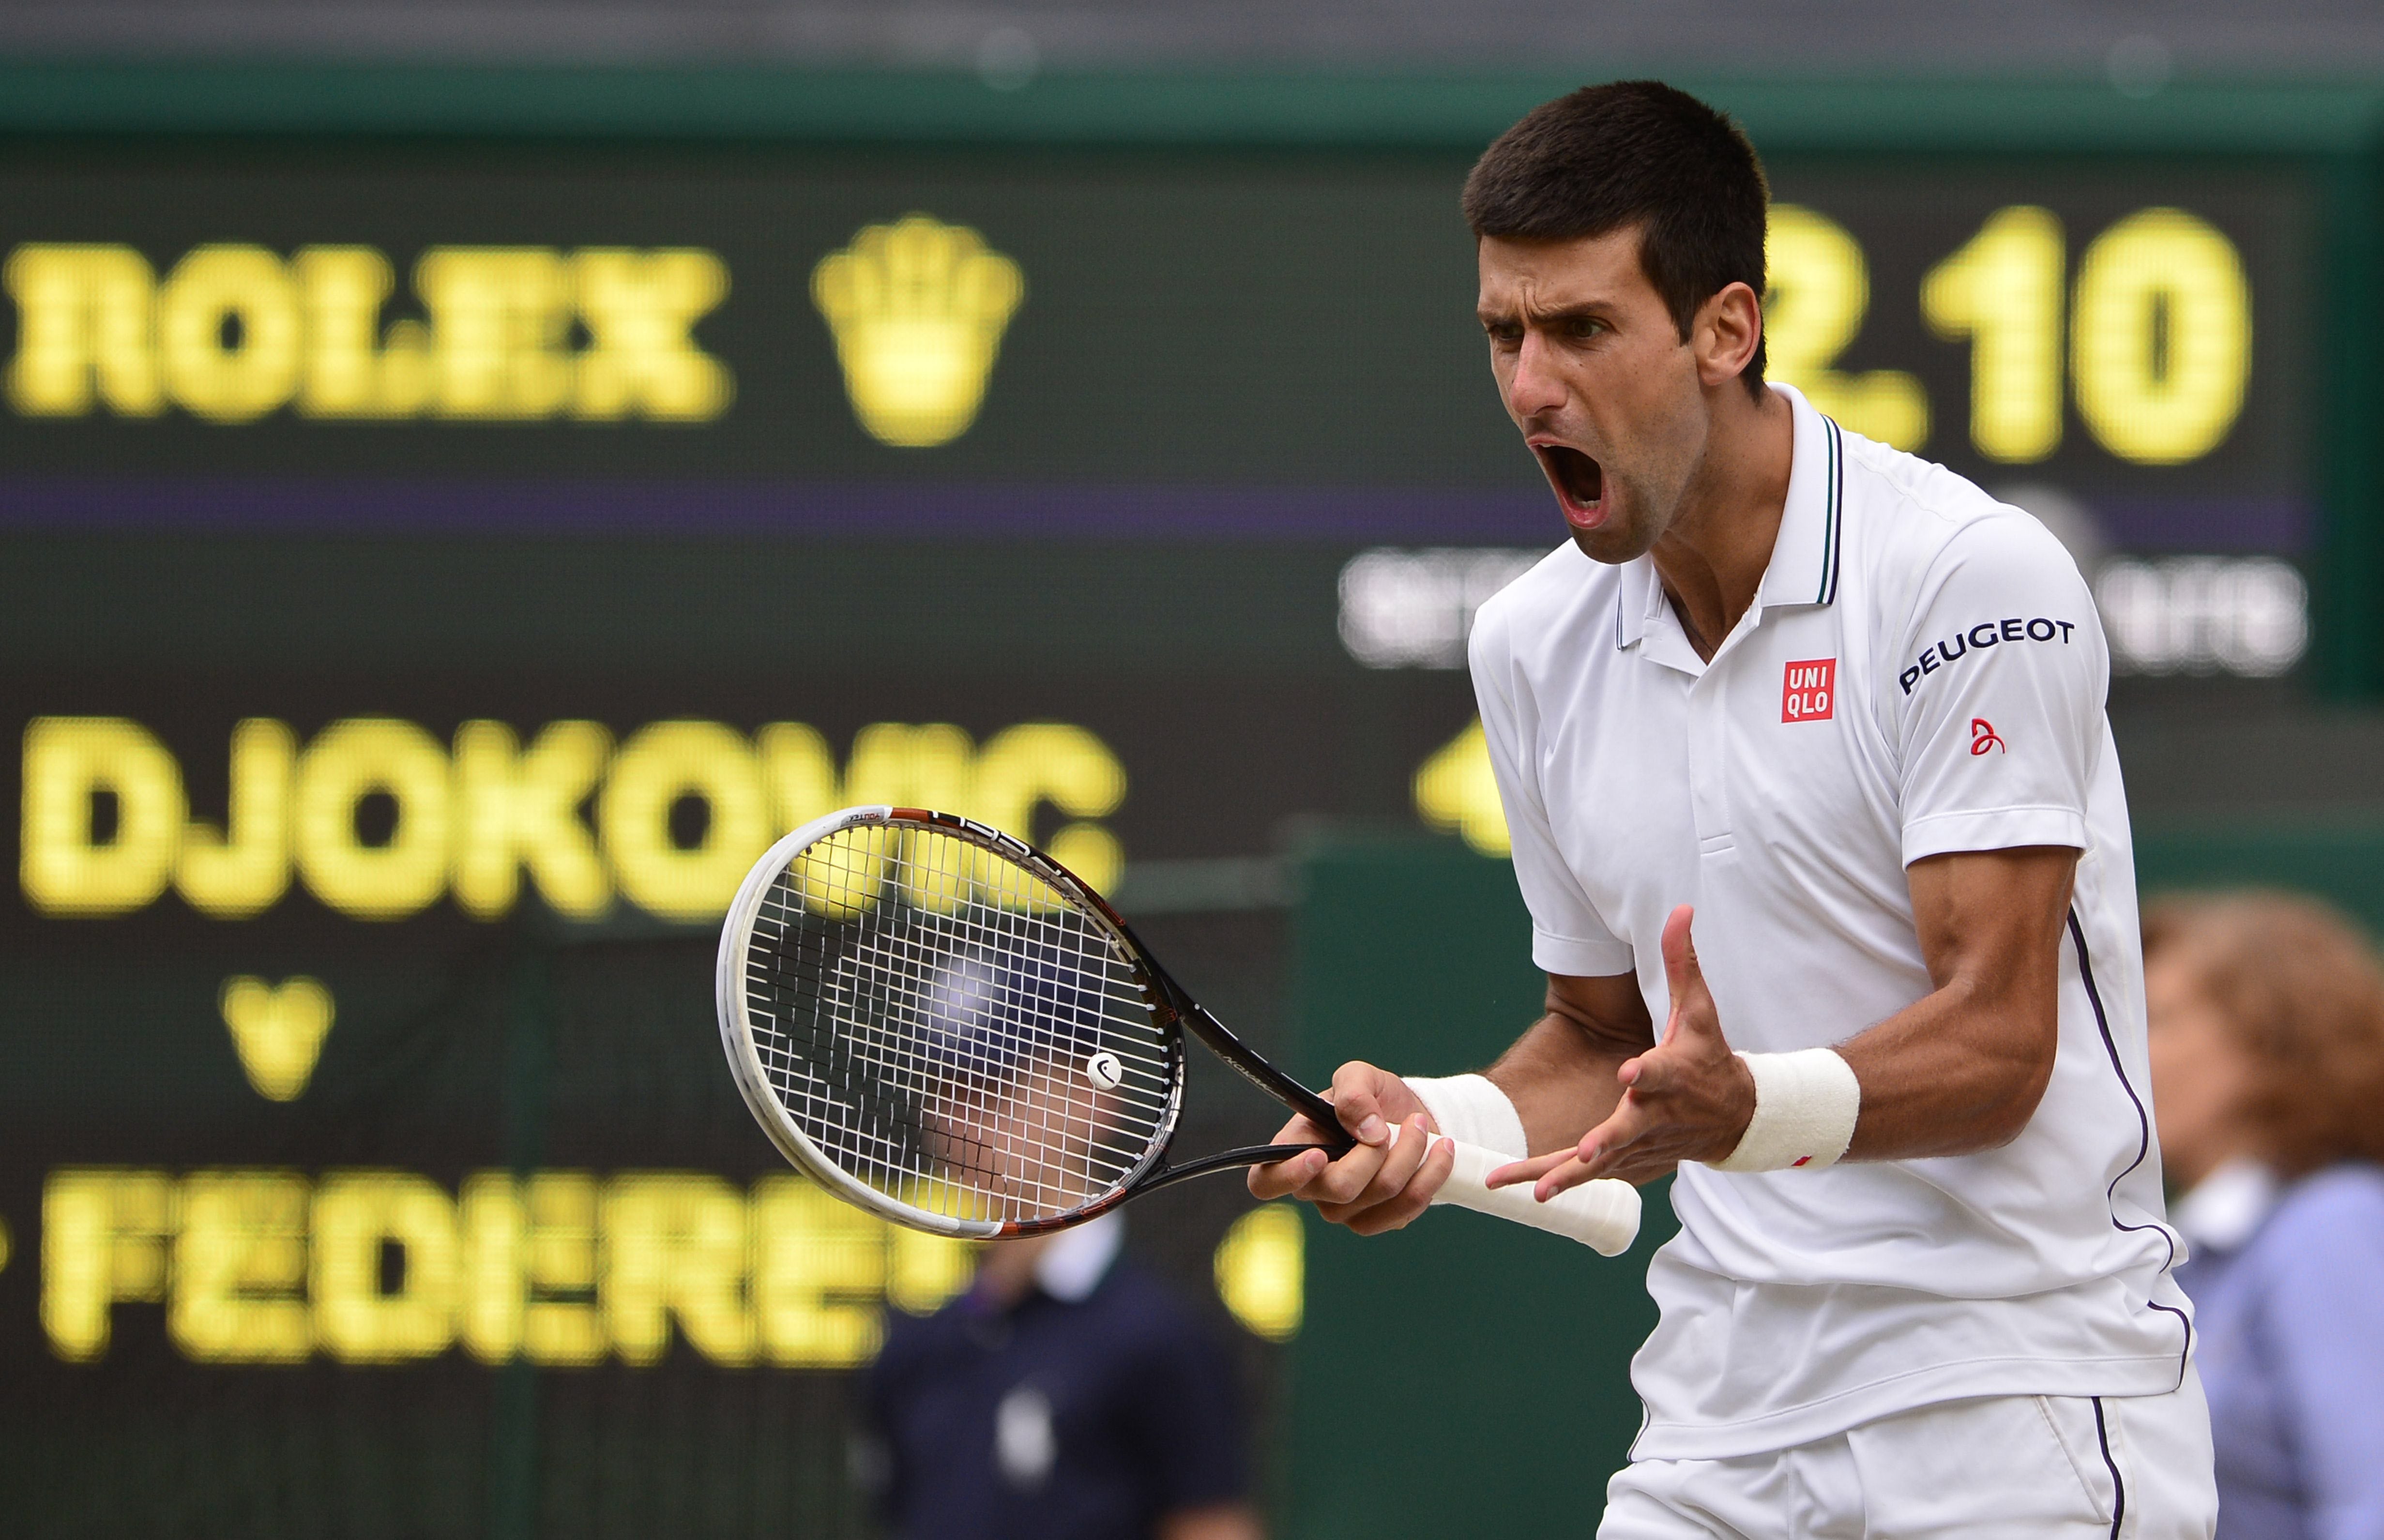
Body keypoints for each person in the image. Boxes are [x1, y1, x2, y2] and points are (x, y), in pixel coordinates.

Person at [1249, 80, 2217, 1536]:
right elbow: (1605, 1040)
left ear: (1726, 329)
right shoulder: (1529, 643)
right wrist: (1431, 1127)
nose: (1528, 386)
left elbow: (2001, 1043)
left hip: (2014, 1402)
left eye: (1581, 328)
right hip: (1720, 1421)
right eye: (1503, 334)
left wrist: (1748, 1104)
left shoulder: (1968, 576)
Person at [2145, 891, 2384, 1540]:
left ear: (2269, 1038)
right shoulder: (2191, 1250)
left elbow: (2371, 1503)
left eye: (2159, 1018)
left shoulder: (2331, 1224)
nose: (2131, 1054)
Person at [856, 1212, 1263, 1540]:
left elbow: (1211, 1524)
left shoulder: (1158, 1336)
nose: (968, 1126)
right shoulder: (914, 1349)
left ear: (1097, 1106)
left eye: (997, 1105)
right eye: (951, 1106)